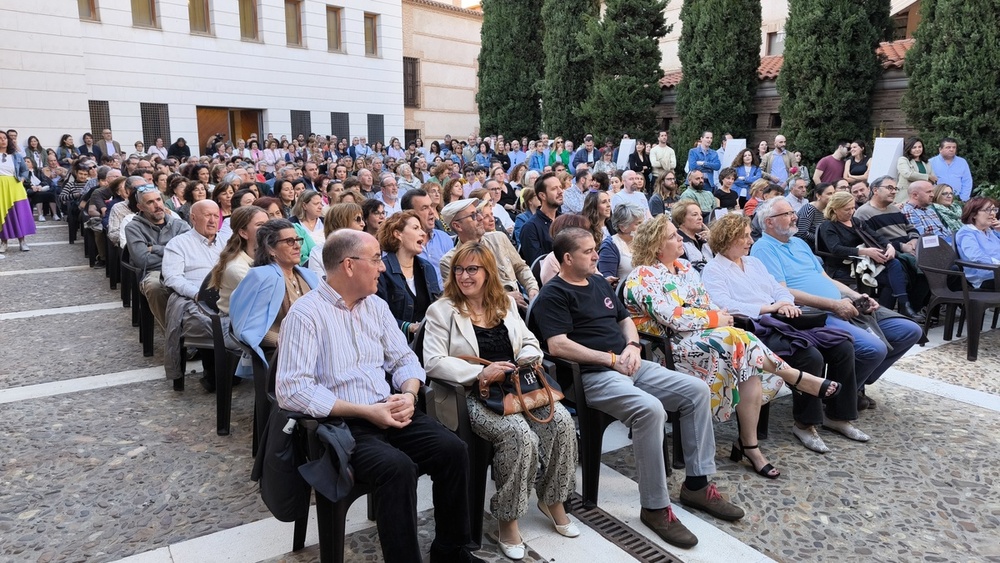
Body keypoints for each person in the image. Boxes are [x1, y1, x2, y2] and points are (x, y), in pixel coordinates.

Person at [275, 229, 484, 563]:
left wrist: (409, 394)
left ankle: (452, 550)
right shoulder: (306, 315)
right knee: (396, 469)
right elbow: (292, 390)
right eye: (375, 260)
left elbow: (404, 360)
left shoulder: (375, 305)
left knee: (453, 450)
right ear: (348, 265)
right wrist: (365, 411)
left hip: (391, 410)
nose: (382, 268)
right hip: (343, 426)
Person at [531, 227, 745, 549]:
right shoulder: (554, 294)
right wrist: (611, 359)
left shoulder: (599, 282)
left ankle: (697, 485)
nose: (596, 255)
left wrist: (631, 345)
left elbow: (625, 319)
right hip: (592, 376)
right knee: (650, 409)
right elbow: (558, 346)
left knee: (696, 391)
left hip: (629, 363)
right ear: (567, 258)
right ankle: (655, 507)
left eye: (596, 248)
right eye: (589, 251)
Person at [623, 214, 840, 475]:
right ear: (656, 245)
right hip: (669, 350)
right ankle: (794, 378)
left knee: (745, 358)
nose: (680, 238)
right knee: (739, 341)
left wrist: (715, 317)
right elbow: (672, 317)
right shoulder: (642, 275)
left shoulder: (685, 268)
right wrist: (716, 318)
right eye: (672, 236)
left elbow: (707, 304)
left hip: (706, 340)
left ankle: (751, 446)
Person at [423, 243, 579, 560]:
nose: (464, 276)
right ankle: (507, 519)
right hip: (471, 394)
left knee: (562, 423)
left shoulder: (504, 303)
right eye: (459, 269)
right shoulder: (442, 310)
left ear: (488, 272)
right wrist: (480, 373)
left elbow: (530, 342)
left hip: (517, 388)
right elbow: (434, 362)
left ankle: (553, 499)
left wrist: (523, 359)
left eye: (472, 269)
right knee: (519, 436)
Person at [702, 213, 861, 454]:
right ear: (726, 239)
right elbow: (724, 305)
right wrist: (770, 308)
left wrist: (785, 303)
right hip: (755, 328)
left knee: (842, 347)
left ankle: (838, 416)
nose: (750, 241)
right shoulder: (714, 270)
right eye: (744, 237)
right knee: (810, 356)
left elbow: (778, 288)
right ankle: (805, 424)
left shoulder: (753, 263)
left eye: (748, 236)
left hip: (783, 320)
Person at [751, 197, 922, 411]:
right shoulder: (763, 248)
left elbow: (826, 278)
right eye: (787, 214)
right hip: (813, 313)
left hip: (840, 304)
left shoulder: (799, 243)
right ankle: (836, 397)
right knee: (874, 349)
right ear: (769, 222)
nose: (794, 217)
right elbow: (782, 292)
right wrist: (833, 305)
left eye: (792, 212)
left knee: (910, 331)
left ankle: (855, 386)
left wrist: (857, 296)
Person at [818, 192, 924, 321]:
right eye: (847, 209)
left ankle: (897, 308)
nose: (851, 211)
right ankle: (892, 312)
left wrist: (889, 246)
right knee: (892, 279)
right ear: (835, 209)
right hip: (844, 266)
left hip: (865, 263)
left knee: (894, 263)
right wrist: (865, 252)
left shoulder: (855, 221)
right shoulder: (828, 226)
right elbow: (835, 249)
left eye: (853, 208)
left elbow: (877, 236)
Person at [230, 218, 321, 368]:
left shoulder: (308, 275)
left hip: (314, 346)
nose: (297, 246)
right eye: (289, 241)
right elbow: (250, 327)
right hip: (282, 354)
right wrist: (286, 342)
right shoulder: (261, 277)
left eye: (298, 240)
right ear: (271, 249)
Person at [161, 200, 229, 388]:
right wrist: (198, 294)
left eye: (216, 216)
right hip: (195, 296)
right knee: (208, 322)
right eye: (207, 215)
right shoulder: (178, 243)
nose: (212, 220)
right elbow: (173, 277)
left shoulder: (227, 241)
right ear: (193, 218)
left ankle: (236, 368)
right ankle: (213, 372)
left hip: (227, 294)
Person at [440, 199, 537, 310]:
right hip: (485, 315)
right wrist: (504, 297)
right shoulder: (449, 261)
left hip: (519, 307)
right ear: (457, 226)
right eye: (473, 216)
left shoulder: (499, 238)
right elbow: (462, 300)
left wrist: (532, 288)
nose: (481, 218)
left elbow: (520, 267)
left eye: (477, 213)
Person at [125, 185, 191, 328]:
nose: (157, 205)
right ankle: (174, 336)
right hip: (154, 272)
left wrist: (155, 249)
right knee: (154, 287)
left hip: (182, 269)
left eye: (158, 200)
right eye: (150, 202)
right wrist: (175, 254)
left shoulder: (179, 225)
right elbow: (143, 260)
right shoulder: (133, 228)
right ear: (140, 207)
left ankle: (200, 331)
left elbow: (191, 253)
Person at [376, 210, 441, 337]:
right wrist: (408, 327)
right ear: (398, 234)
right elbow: (376, 316)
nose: (423, 233)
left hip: (427, 342)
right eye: (416, 228)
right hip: (395, 343)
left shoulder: (427, 268)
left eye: (421, 229)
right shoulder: (382, 270)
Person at [209, 205, 269, 316]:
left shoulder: (270, 256)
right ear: (243, 233)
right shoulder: (236, 268)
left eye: (268, 224)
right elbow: (267, 300)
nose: (268, 229)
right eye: (260, 225)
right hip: (236, 326)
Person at [0, 130, 36, 255]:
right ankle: (4, 242)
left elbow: (24, 170)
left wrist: (22, 178)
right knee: (2, 213)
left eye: (4, 138)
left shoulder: (16, 155)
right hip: (0, 187)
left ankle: (22, 241)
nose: (3, 140)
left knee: (19, 212)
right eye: (0, 138)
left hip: (15, 185)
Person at [955, 197, 1000, 291]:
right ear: (974, 214)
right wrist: (997, 263)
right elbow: (975, 256)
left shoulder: (989, 231)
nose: (992, 213)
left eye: (994, 209)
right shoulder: (967, 232)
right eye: (988, 210)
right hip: (986, 277)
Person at [518, 173, 563, 266]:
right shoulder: (530, 228)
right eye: (554, 189)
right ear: (542, 196)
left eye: (560, 187)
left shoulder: (565, 221)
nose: (560, 191)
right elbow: (537, 265)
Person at [598, 202, 644, 286]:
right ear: (623, 227)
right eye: (638, 224)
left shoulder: (644, 242)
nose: (643, 226)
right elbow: (607, 280)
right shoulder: (610, 245)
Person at [902, 180, 952, 244]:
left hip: (947, 243)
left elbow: (946, 233)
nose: (932, 195)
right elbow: (923, 239)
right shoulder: (908, 211)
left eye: (932, 192)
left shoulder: (930, 211)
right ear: (915, 195)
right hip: (936, 248)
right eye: (929, 192)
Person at [929, 137, 973, 201]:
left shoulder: (962, 162)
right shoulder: (931, 162)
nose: (951, 149)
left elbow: (967, 181)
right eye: (948, 147)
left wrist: (963, 199)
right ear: (940, 149)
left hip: (958, 200)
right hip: (937, 200)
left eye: (954, 147)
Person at [673, 201, 713, 271]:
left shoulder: (705, 239)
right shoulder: (678, 242)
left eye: (700, 214)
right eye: (695, 215)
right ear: (681, 219)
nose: (700, 218)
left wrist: (713, 240)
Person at [895, 137, 936, 204]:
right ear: (909, 149)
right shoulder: (903, 160)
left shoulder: (926, 162)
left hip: (923, 197)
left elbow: (933, 178)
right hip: (906, 196)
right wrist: (927, 177)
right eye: (914, 147)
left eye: (920, 147)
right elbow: (908, 174)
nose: (917, 149)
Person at [795, 182, 835, 248]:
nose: (833, 197)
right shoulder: (809, 209)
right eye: (829, 194)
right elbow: (802, 232)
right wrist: (821, 239)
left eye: (834, 193)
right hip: (807, 246)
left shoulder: (829, 209)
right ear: (818, 196)